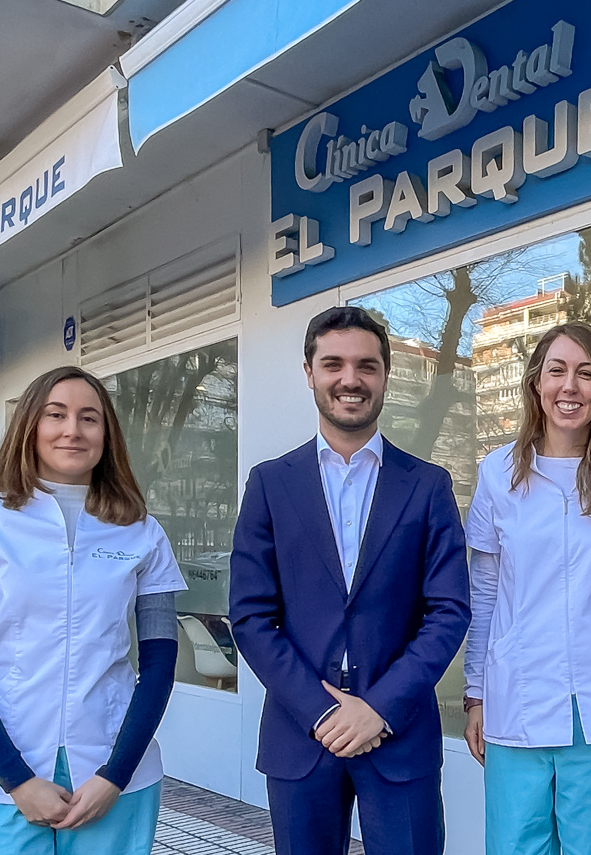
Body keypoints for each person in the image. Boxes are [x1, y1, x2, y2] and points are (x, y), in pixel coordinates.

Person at [229, 306, 471, 855]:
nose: (350, 379)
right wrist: (323, 711)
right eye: (333, 363)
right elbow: (249, 615)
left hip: (399, 732)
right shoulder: (269, 484)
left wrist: (379, 707)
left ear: (385, 376)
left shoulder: (427, 485)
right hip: (300, 732)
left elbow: (449, 610)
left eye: (366, 366)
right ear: (309, 372)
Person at [0, 366, 186, 855]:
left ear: (107, 434)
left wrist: (115, 776)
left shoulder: (141, 533)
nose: (73, 430)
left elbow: (159, 667)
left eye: (90, 418)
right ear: (30, 426)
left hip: (113, 776)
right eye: (56, 415)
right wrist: (17, 779)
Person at [462, 322, 591, 855]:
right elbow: (483, 591)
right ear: (535, 384)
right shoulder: (497, 472)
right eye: (557, 371)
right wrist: (475, 692)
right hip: (517, 699)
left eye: (586, 374)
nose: (569, 386)